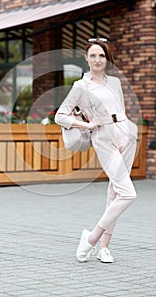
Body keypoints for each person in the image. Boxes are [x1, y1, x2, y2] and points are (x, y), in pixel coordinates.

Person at [55, 38, 138, 263]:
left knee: (115, 192)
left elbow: (120, 108)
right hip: (103, 137)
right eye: (93, 55)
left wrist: (129, 129)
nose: (97, 59)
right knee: (128, 193)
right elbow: (60, 115)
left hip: (126, 133)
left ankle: (104, 248)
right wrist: (87, 125)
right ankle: (91, 239)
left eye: (101, 55)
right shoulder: (81, 86)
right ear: (86, 58)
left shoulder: (115, 82)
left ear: (106, 58)